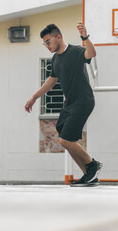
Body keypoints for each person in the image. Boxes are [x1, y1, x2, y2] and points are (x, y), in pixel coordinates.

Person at [24, 22, 102, 187]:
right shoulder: (55, 59)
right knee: (64, 137)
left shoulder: (74, 51)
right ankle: (89, 175)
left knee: (65, 140)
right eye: (44, 43)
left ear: (58, 37)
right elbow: (51, 82)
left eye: (48, 41)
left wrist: (85, 37)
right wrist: (34, 97)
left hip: (83, 101)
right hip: (70, 104)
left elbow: (92, 53)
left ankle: (92, 165)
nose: (46, 46)